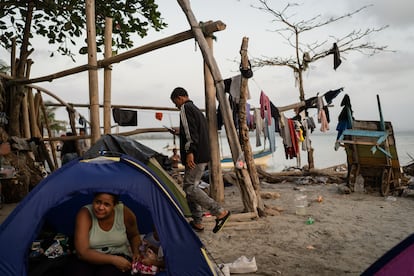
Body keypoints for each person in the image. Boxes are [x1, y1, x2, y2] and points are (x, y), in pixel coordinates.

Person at [170, 87, 231, 233]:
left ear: (180, 98)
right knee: (190, 186)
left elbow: (191, 133)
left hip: (195, 155)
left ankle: (220, 212)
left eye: (175, 102)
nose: (176, 106)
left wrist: (190, 151)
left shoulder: (185, 108)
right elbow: (194, 131)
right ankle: (197, 222)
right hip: (202, 153)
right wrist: (180, 133)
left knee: (190, 187)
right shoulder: (196, 110)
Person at [66, 192, 142, 276]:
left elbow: (134, 235)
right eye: (97, 202)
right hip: (90, 257)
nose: (101, 207)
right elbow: (82, 253)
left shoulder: (125, 213)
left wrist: (136, 252)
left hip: (119, 255)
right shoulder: (85, 213)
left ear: (114, 205)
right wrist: (114, 260)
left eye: (107, 204)